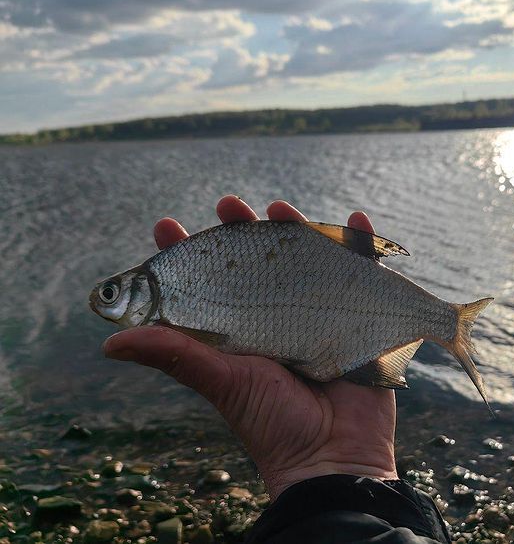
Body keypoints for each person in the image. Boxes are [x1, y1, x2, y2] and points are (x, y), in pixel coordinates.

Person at [103, 196, 451, 544]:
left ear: (143, 289)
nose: (105, 302)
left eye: (109, 294)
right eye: (110, 295)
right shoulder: (171, 272)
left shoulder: (167, 279)